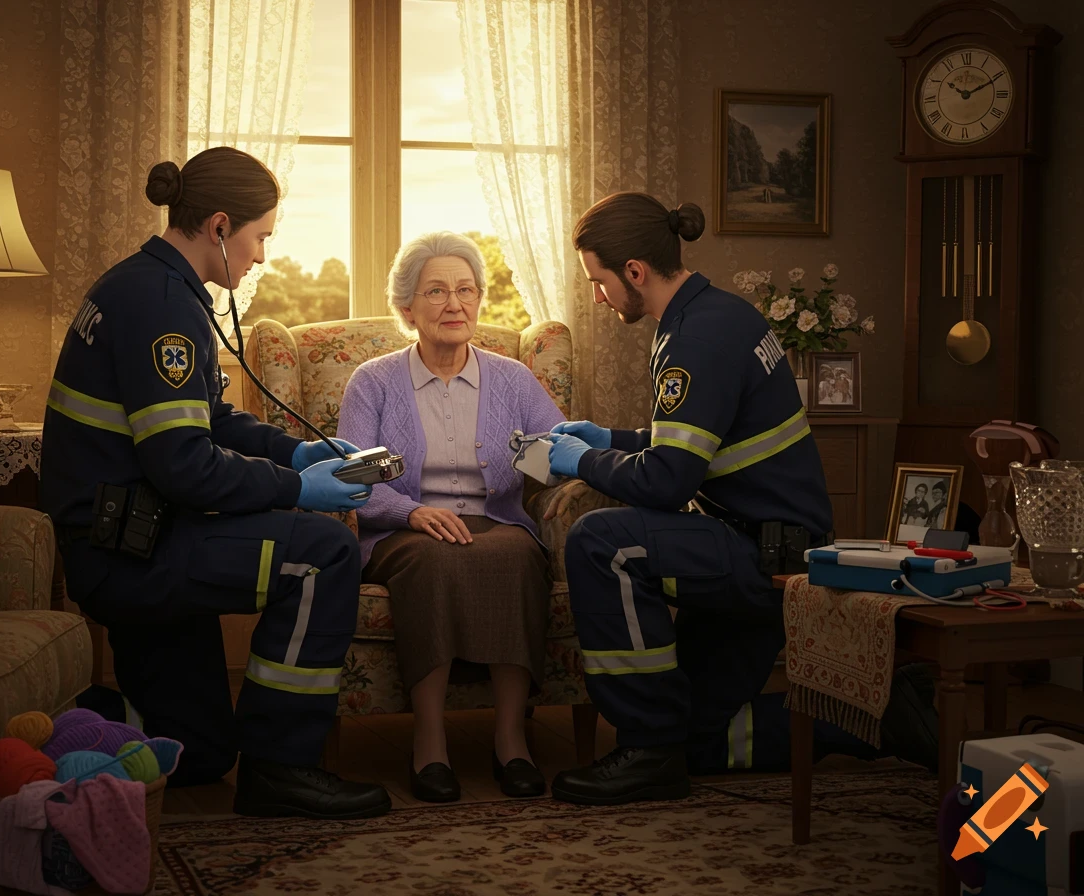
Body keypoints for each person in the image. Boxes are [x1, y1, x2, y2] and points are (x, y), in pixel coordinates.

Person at [540, 191, 938, 805]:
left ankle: (645, 749)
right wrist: (610, 439)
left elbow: (669, 481)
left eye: (599, 281)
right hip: (762, 541)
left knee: (602, 542)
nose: (597, 296)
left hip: (763, 557)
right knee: (695, 744)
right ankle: (874, 718)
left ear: (635, 272)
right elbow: (696, 441)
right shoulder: (714, 314)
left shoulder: (695, 340)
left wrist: (581, 461)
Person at [39, 146, 391, 819]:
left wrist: (297, 455)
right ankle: (281, 768)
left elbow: (212, 419)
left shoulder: (148, 285)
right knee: (324, 553)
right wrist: (300, 491)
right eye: (261, 237)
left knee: (196, 755)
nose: (261, 256)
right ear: (221, 226)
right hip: (130, 554)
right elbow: (184, 466)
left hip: (126, 538)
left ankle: (72, 724)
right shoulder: (162, 305)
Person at [337, 232, 566, 803]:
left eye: (466, 290)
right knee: (435, 560)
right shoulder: (373, 381)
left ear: (479, 300)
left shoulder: (512, 379)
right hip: (404, 530)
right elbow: (353, 478)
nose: (454, 303)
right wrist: (411, 511)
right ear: (407, 307)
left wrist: (561, 467)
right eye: (436, 291)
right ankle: (430, 743)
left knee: (519, 557)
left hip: (496, 522)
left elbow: (557, 451)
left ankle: (511, 740)